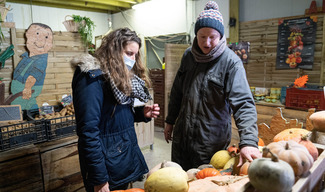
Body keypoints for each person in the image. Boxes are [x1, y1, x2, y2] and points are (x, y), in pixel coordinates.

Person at [164, 1, 261, 171]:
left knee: (206, 181)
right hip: (183, 138)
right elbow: (177, 91)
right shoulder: (188, 56)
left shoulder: (231, 62)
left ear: (221, 36)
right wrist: (170, 121)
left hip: (210, 142)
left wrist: (249, 141)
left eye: (212, 37)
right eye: (202, 36)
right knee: (178, 180)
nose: (206, 42)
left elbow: (244, 103)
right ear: (196, 35)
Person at [71, 27, 160, 192]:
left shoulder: (117, 75)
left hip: (120, 156)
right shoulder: (91, 77)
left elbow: (114, 115)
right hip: (105, 164)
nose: (132, 59)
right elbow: (88, 131)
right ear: (113, 50)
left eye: (135, 54)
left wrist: (141, 114)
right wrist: (99, 178)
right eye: (128, 53)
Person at [11, 23, 53, 110]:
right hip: (19, 88)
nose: (41, 40)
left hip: (28, 88)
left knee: (21, 104)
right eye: (37, 34)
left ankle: (34, 117)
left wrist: (27, 88)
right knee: (28, 103)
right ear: (28, 35)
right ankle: (36, 117)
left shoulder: (41, 60)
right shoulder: (26, 56)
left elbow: (34, 75)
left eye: (46, 37)